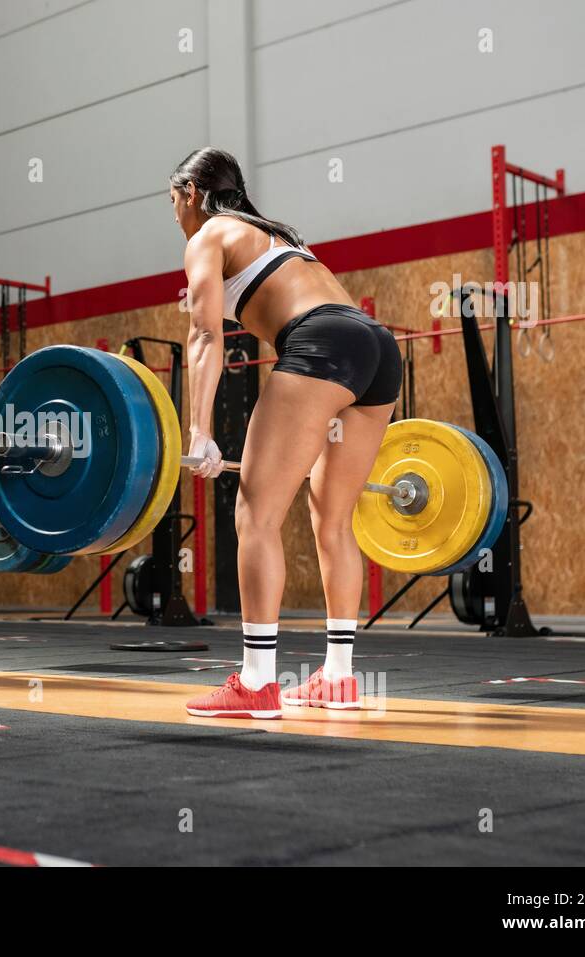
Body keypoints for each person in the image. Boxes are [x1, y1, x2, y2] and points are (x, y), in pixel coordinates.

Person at [171, 147, 402, 718]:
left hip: (319, 343)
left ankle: (256, 684)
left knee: (256, 515)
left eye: (173, 201)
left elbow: (204, 335)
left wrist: (199, 431)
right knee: (333, 519)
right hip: (376, 348)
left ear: (193, 194)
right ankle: (340, 678)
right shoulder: (276, 236)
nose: (175, 214)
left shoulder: (209, 235)